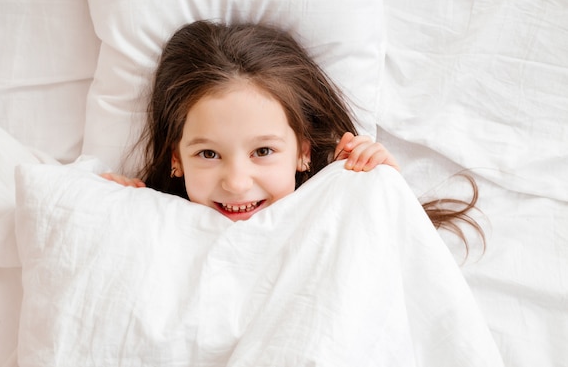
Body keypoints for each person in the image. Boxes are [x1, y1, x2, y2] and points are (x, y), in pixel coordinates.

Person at [102, 20, 483, 248]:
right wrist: (127, 212)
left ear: (302, 152)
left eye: (263, 151)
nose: (236, 183)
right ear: (175, 159)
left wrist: (380, 190)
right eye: (208, 154)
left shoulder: (327, 212)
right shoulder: (157, 218)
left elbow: (401, 257)